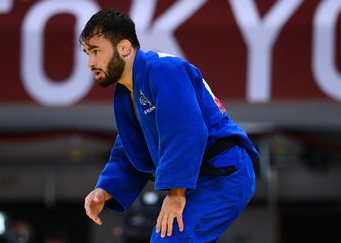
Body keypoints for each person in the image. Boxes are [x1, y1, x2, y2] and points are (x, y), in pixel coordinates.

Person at [81, 8, 258, 242]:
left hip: (224, 172)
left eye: (95, 51)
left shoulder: (164, 69)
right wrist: (106, 189)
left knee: (169, 238)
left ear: (123, 48)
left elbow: (187, 131)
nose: (90, 63)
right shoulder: (127, 92)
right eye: (86, 53)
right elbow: (130, 150)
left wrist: (176, 192)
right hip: (201, 177)